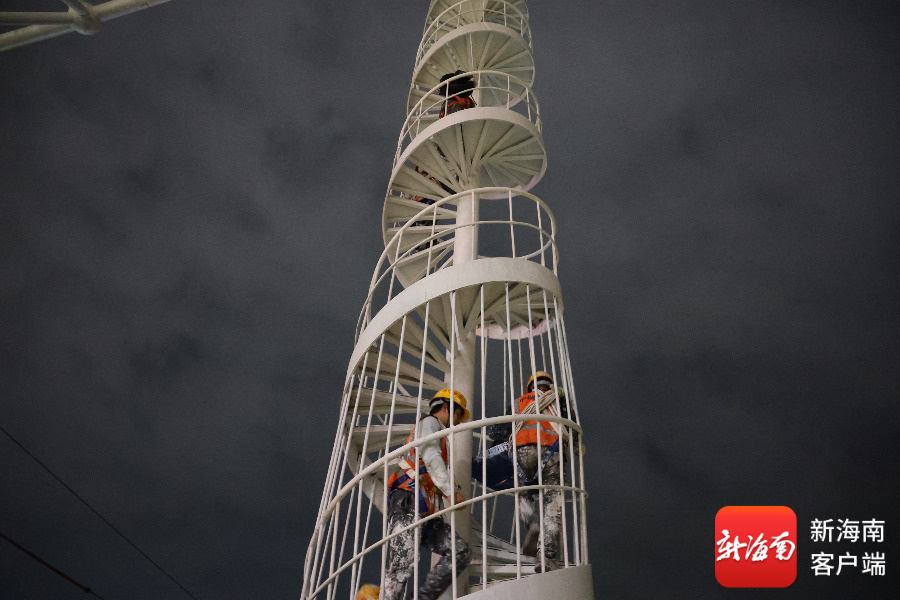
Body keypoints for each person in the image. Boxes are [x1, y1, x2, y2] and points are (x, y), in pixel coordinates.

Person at [383, 389, 472, 600]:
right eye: (458, 414)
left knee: (460, 551)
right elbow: (431, 458)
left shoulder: (441, 436)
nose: (458, 422)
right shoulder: (429, 423)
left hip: (428, 513)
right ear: (446, 408)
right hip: (409, 501)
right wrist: (450, 492)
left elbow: (436, 469)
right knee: (402, 565)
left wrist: (454, 490)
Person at [513, 372, 566, 572]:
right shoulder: (558, 402)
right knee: (552, 502)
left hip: (523, 452)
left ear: (529, 387)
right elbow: (571, 430)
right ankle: (545, 555)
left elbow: (499, 431)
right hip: (551, 452)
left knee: (522, 492)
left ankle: (532, 524)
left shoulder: (519, 402)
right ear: (549, 386)